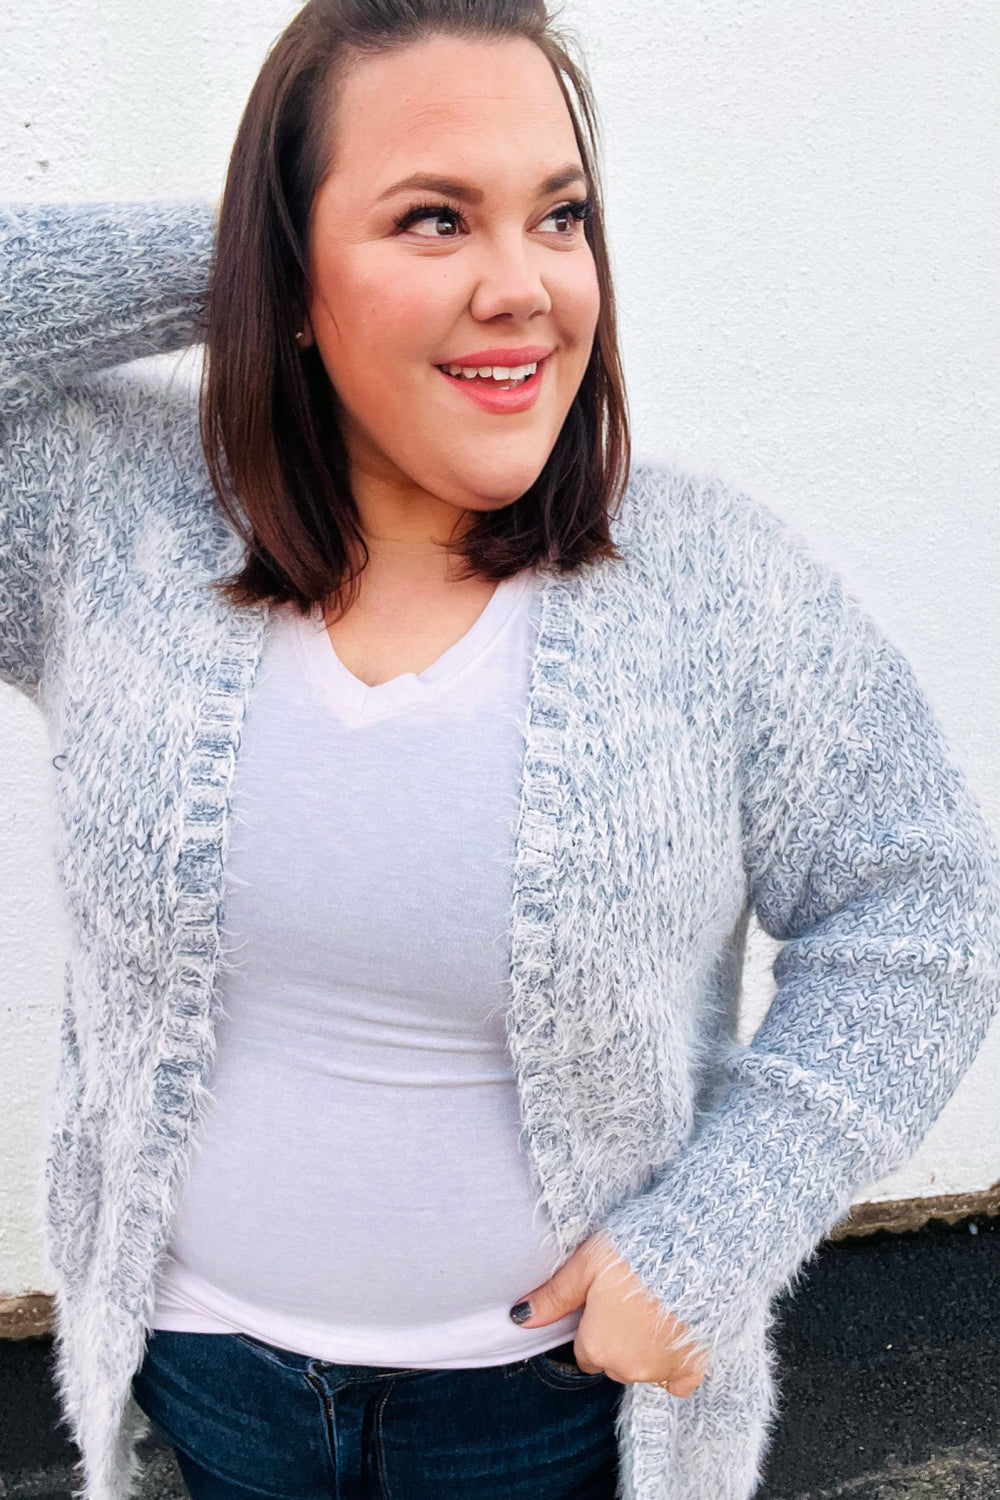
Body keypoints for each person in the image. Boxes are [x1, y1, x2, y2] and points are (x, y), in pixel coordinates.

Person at [1, 1, 998, 1497]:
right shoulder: (110, 521)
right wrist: (244, 257)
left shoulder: (714, 584)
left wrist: (716, 1231)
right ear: (289, 268)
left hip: (552, 1416)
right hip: (204, 1386)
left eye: (560, 216)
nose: (524, 286)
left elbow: (925, 908)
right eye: (434, 218)